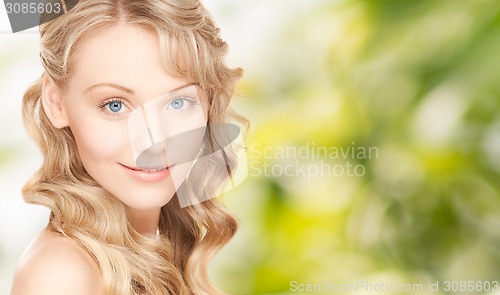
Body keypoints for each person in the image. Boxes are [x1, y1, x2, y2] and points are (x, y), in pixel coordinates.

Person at [10, 0, 244, 294]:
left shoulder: (159, 249)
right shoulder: (61, 274)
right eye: (115, 105)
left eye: (178, 102)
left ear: (209, 103)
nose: (152, 142)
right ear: (56, 102)